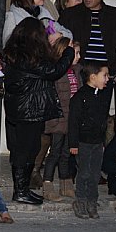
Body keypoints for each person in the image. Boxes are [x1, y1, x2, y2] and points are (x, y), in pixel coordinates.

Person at [3, 17, 75, 205]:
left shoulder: (15, 53)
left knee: (28, 149)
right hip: (28, 111)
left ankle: (23, 189)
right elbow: (55, 70)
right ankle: (20, 191)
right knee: (25, 151)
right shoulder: (28, 58)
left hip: (22, 109)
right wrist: (68, 50)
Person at [59, 0, 116, 101]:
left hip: (104, 74)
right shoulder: (70, 14)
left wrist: (113, 69)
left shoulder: (115, 15)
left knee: (99, 115)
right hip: (78, 73)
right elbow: (59, 44)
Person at [68, 62, 111, 219]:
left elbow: (102, 122)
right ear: (93, 77)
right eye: (104, 75)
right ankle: (81, 201)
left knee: (94, 174)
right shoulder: (80, 97)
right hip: (83, 142)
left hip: (97, 143)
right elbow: (73, 122)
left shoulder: (102, 96)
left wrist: (103, 142)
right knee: (84, 173)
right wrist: (73, 143)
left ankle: (92, 201)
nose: (107, 79)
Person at [42, 38, 81, 201]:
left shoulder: (76, 71)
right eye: (75, 53)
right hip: (59, 119)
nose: (78, 56)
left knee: (66, 153)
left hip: (71, 119)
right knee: (55, 152)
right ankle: (48, 185)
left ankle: (66, 184)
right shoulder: (58, 72)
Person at [3, 0, 72, 46]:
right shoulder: (13, 18)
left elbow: (69, 34)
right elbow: (8, 46)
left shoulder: (43, 15)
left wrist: (59, 35)